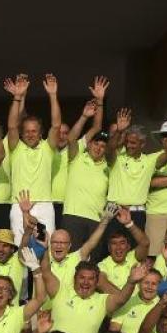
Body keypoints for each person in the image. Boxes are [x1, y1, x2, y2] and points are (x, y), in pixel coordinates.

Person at [2, 73, 76, 245]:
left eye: (34, 131)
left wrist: (53, 95)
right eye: (27, 131)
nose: (30, 134)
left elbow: (56, 125)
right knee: (21, 248)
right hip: (19, 205)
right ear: (22, 134)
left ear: (41, 133)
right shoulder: (16, 148)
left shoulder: (47, 148)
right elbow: (12, 125)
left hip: (43, 206)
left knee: (45, 247)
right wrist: (17, 97)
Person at [46, 260, 147, 333]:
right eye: (82, 277)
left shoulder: (102, 300)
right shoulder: (60, 290)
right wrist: (42, 252)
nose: (86, 282)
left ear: (97, 281)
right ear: (75, 278)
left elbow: (121, 299)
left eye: (91, 279)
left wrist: (131, 282)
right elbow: (46, 272)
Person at [104, 115, 167, 238]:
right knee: (111, 247)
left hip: (137, 214)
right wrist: (119, 131)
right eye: (127, 142)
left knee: (137, 248)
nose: (128, 145)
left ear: (142, 144)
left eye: (133, 143)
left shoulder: (149, 161)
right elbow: (109, 150)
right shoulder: (117, 159)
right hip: (114, 211)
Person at [58, 100, 109, 254]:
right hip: (73, 217)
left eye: (102, 146)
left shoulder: (108, 166)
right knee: (71, 260)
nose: (98, 148)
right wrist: (84, 116)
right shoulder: (77, 157)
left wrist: (100, 101)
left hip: (96, 220)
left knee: (93, 261)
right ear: (89, 144)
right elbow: (71, 139)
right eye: (96, 143)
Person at [97, 208, 151, 293]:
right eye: (114, 243)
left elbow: (145, 243)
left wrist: (129, 224)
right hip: (119, 301)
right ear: (109, 248)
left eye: (122, 243)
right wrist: (124, 298)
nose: (118, 247)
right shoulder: (103, 265)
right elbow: (101, 283)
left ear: (128, 246)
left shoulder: (134, 257)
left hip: (138, 300)